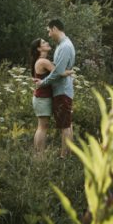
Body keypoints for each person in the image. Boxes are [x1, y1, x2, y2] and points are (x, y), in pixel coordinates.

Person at [35, 18, 76, 157]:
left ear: (54, 29)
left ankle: (64, 157)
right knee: (67, 124)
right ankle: (67, 155)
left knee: (65, 126)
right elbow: (58, 69)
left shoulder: (64, 46)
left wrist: (43, 82)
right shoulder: (61, 45)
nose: (48, 35)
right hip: (62, 90)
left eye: (48, 31)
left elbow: (58, 72)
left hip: (62, 91)